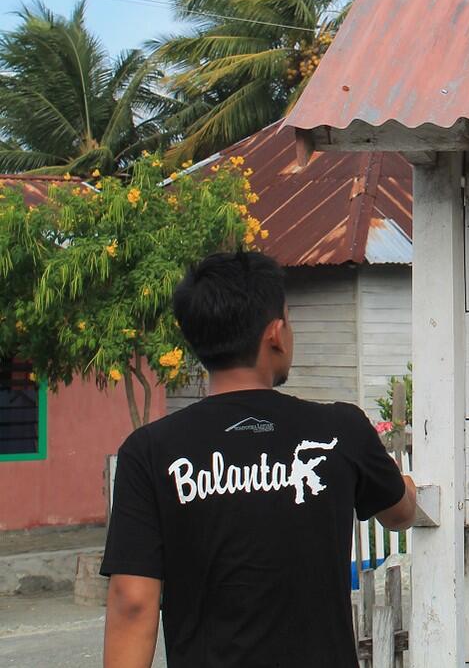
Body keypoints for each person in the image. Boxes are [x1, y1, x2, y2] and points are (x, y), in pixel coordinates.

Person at [101, 251, 417, 668]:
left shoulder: (149, 451)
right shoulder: (341, 429)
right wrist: (406, 484)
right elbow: (400, 512)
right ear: (274, 334)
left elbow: (133, 602)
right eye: (289, 319)